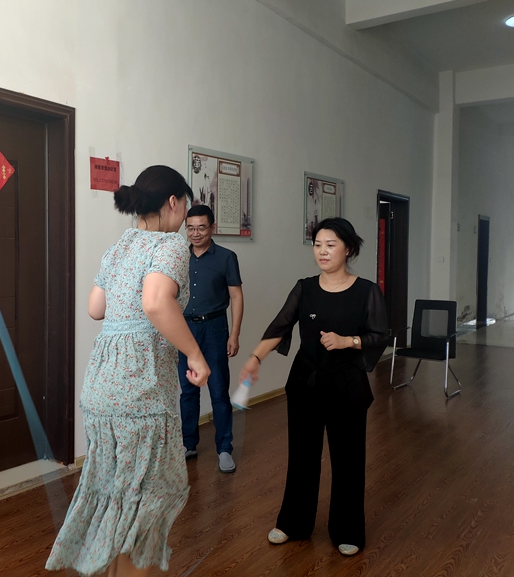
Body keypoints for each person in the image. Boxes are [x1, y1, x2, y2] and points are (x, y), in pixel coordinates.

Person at [46, 166, 210, 577]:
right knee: (146, 504)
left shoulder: (119, 246)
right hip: (141, 390)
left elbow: (95, 308)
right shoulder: (170, 246)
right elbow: (156, 302)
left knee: (118, 498)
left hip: (102, 388)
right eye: (185, 204)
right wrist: (194, 354)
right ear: (173, 202)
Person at [238, 217, 388, 557]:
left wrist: (348, 341)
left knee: (348, 459)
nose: (322, 251)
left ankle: (347, 529)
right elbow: (280, 326)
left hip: (347, 384)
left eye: (330, 245)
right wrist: (256, 357)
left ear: (348, 249)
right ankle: (293, 523)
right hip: (306, 382)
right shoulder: (305, 288)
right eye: (318, 245)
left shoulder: (367, 291)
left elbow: (380, 335)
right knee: (302, 456)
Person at [178, 205, 243, 473]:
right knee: (188, 390)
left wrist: (234, 334)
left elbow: (236, 297)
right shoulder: (179, 257)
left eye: (201, 228)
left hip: (215, 329)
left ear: (212, 228)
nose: (195, 233)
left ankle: (224, 448)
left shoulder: (226, 257)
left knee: (218, 390)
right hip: (185, 329)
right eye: (190, 228)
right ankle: (188, 444)